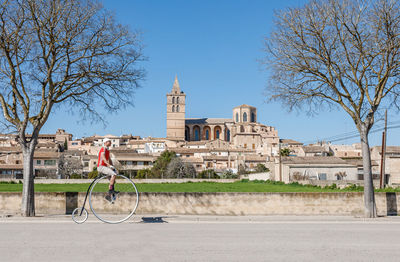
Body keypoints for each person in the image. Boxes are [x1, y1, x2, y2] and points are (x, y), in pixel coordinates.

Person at [97, 138, 119, 202]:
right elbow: (103, 158)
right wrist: (109, 165)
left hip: (104, 167)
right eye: (109, 141)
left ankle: (109, 196)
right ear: (105, 143)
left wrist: (112, 167)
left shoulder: (107, 150)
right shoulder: (103, 149)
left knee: (112, 181)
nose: (111, 142)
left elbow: (109, 159)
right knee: (114, 174)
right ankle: (111, 191)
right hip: (101, 167)